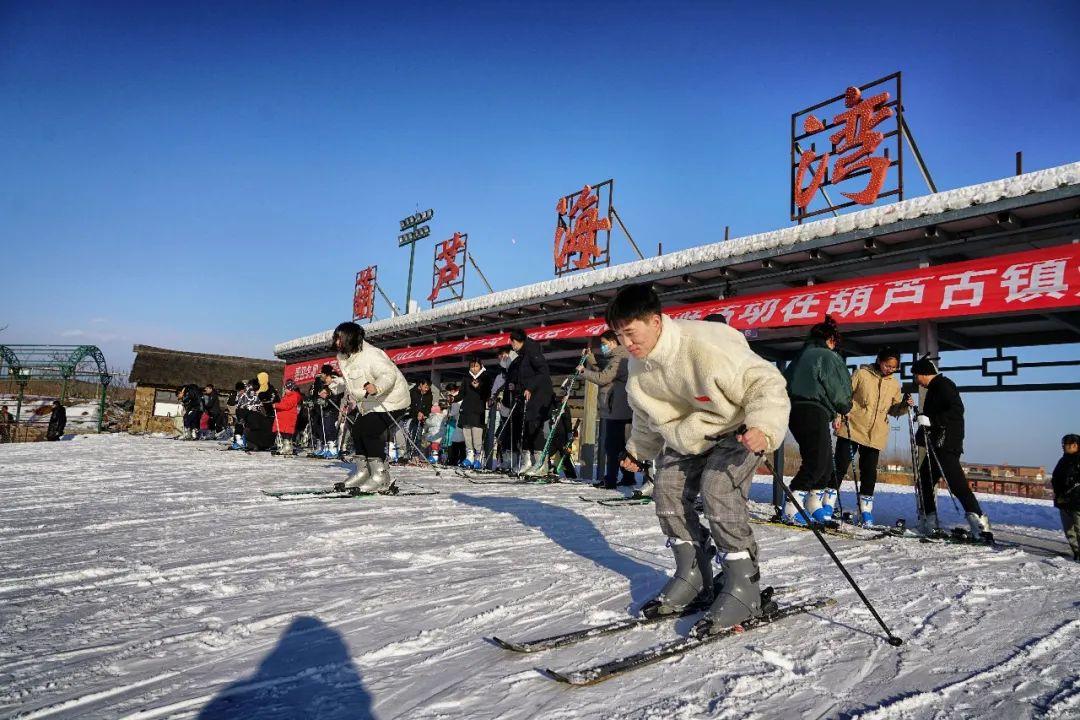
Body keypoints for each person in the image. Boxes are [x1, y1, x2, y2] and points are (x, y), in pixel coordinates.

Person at [611, 283, 790, 632]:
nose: (626, 344)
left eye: (631, 333)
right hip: (690, 435)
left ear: (656, 321)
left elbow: (766, 383)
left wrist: (763, 427)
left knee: (717, 488)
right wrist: (638, 450)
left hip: (738, 427)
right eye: (619, 336)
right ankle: (693, 575)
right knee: (667, 490)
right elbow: (646, 415)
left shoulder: (706, 344)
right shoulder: (638, 365)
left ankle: (744, 586)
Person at [781, 316, 853, 526]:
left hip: (795, 411)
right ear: (830, 339)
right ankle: (791, 508)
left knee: (824, 462)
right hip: (813, 409)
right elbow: (837, 386)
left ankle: (814, 505)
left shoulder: (801, 356)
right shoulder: (826, 356)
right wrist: (845, 407)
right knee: (817, 461)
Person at [911, 356, 992, 540]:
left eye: (916, 376)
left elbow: (956, 410)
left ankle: (980, 525)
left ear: (924, 373)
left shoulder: (944, 385)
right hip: (937, 444)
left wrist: (931, 420)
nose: (916, 380)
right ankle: (928, 523)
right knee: (924, 480)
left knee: (957, 484)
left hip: (947, 445)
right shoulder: (934, 388)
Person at [329, 321, 411, 494]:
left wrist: (377, 387)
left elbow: (388, 374)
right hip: (370, 402)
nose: (337, 343)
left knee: (369, 431)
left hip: (392, 400)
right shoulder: (345, 357)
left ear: (350, 338)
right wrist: (333, 385)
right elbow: (351, 382)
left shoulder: (372, 354)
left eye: (340, 338)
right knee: (358, 430)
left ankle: (381, 476)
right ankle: (364, 472)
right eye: (336, 339)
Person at [834, 347, 909, 526]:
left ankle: (865, 510)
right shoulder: (861, 374)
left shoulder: (894, 384)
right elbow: (844, 396)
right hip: (852, 427)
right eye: (887, 365)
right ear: (879, 360)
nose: (889, 369)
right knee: (840, 465)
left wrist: (905, 405)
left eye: (893, 367)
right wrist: (837, 415)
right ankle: (827, 504)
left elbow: (894, 409)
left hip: (876, 434)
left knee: (869, 472)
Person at [579, 330, 634, 489]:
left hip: (617, 409)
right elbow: (604, 371)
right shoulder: (617, 357)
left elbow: (604, 378)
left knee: (612, 446)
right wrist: (590, 359)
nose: (602, 347)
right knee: (620, 445)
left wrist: (583, 371)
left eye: (604, 344)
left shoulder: (619, 358)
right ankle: (626, 477)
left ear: (613, 342)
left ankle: (611, 479)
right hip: (618, 408)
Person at [509, 328, 553, 475]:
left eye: (513, 342)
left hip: (539, 397)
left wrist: (530, 387)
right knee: (526, 428)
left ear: (519, 341)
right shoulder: (522, 355)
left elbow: (543, 371)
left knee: (535, 428)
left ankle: (541, 464)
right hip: (527, 397)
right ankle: (528, 461)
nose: (512, 345)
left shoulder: (532, 351)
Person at [459, 357, 493, 468]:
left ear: (480, 366)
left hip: (478, 410)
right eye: (472, 366)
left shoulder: (485, 377)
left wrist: (478, 387)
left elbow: (487, 394)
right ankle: (469, 456)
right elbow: (461, 394)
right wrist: (452, 398)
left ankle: (478, 457)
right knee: (467, 435)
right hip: (466, 409)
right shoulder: (466, 377)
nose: (474, 368)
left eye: (476, 366)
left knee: (477, 435)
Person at [1051, 434, 1080, 561]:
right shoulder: (1063, 460)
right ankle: (1076, 551)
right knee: (1069, 530)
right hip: (1063, 501)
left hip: (1078, 501)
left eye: (1066, 445)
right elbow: (1055, 477)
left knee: (1079, 528)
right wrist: (1058, 493)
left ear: (1075, 445)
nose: (1063, 447)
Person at [271, 380, 303, 455]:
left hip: (288, 418)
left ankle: (287, 447)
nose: (285, 390)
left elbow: (287, 405)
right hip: (284, 418)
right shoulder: (287, 396)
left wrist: (276, 405)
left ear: (291, 389)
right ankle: (285, 446)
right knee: (283, 433)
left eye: (287, 389)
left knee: (287, 433)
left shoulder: (293, 396)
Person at [406, 379, 434, 460]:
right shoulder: (413, 392)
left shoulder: (429, 394)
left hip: (421, 419)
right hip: (411, 417)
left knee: (418, 436)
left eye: (428, 387)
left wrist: (424, 414)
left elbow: (428, 407)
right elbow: (411, 405)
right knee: (410, 435)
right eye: (425, 387)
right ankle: (409, 454)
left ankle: (415, 455)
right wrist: (417, 412)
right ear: (421, 385)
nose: (426, 389)